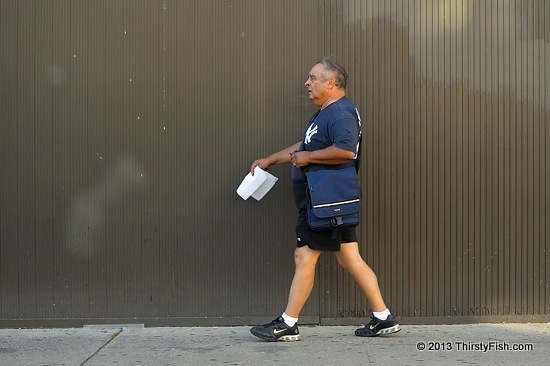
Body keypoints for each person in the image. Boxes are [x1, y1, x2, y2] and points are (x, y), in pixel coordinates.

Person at [249, 57, 401, 341]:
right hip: (331, 201)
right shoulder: (325, 113)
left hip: (325, 203)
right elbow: (303, 147)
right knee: (350, 258)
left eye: (313, 78)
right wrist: (271, 160)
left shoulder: (341, 113)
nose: (307, 83)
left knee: (304, 255)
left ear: (331, 82)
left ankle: (288, 323)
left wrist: (308, 157)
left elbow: (346, 151)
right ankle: (383, 317)